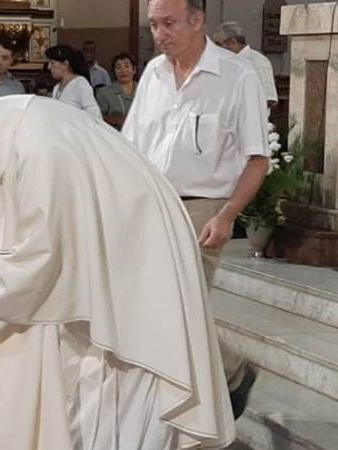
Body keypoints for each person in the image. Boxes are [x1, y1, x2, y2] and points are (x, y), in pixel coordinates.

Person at [0, 93, 234, 449]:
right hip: (85, 264)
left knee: (110, 407)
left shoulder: (40, 151)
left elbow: (39, 263)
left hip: (133, 274)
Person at [122, 0, 270, 420]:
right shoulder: (152, 74)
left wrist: (228, 215)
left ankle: (207, 391)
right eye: (153, 25)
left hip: (202, 208)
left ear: (197, 20)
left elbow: (257, 160)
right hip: (150, 206)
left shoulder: (236, 76)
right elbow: (130, 147)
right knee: (147, 305)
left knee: (174, 305)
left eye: (168, 23)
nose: (159, 33)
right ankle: (226, 374)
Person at [214, 21, 278, 110]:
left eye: (218, 44)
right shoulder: (229, 62)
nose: (216, 49)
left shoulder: (257, 61)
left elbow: (268, 98)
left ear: (232, 43)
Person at [45, 44, 102, 120]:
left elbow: (94, 114)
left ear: (65, 64)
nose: (49, 67)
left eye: (52, 63)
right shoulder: (56, 88)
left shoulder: (80, 84)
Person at [96, 52, 137, 130]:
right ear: (114, 71)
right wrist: (114, 119)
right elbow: (98, 117)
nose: (123, 70)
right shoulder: (104, 93)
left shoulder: (144, 90)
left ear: (134, 70)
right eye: (118, 67)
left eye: (127, 66)